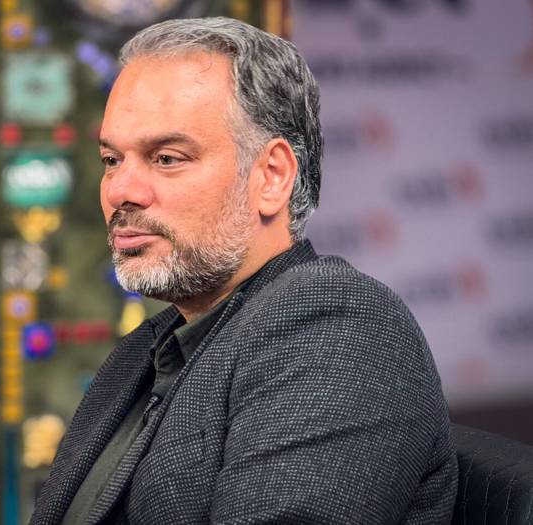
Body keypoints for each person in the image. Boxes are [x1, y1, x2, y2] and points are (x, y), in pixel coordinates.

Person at [30, 17, 458, 525]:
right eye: (111, 159)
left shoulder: (337, 328)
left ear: (271, 176)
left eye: (166, 158)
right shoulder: (151, 346)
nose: (121, 190)